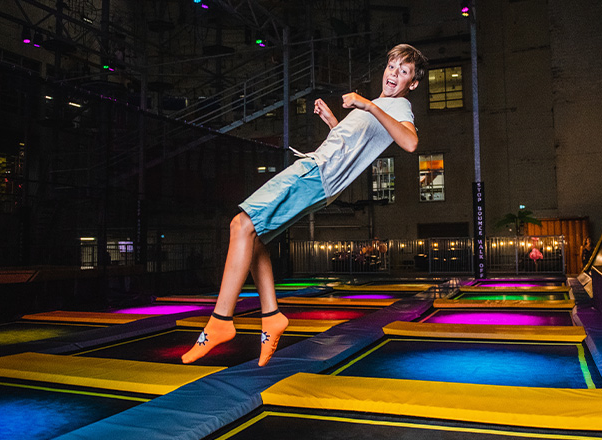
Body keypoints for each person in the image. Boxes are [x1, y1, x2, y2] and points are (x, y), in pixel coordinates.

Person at [182, 44, 428, 366]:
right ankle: (272, 317)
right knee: (253, 237)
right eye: (392, 66)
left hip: (315, 174)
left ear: (413, 83)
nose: (394, 74)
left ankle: (220, 322)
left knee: (240, 224)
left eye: (403, 71)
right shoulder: (382, 105)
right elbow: (349, 149)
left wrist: (367, 105)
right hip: (320, 175)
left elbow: (410, 142)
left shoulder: (398, 107)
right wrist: (333, 122)